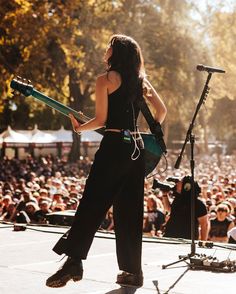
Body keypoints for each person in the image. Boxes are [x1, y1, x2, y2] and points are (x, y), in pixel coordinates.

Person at [46, 34, 166, 289]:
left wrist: (79, 129)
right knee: (130, 212)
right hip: (136, 150)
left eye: (109, 47)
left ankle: (74, 262)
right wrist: (142, 130)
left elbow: (101, 120)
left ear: (116, 52)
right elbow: (162, 111)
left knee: (92, 203)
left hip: (113, 148)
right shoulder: (142, 81)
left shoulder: (105, 80)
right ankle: (133, 272)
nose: (105, 51)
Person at [162, 176, 209, 240]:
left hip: (187, 240)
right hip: (170, 236)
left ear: (187, 186)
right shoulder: (177, 200)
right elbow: (169, 209)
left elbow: (204, 225)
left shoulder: (198, 204)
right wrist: (165, 195)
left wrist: (203, 242)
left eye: (180, 182)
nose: (177, 184)